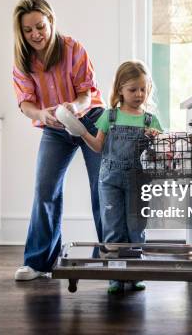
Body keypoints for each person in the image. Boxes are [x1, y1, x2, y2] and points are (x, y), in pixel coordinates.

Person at [12, 0, 105, 280]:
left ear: (50, 20)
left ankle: (111, 256)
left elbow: (86, 93)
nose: (35, 35)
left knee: (103, 188)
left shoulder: (73, 49)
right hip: (54, 126)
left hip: (89, 119)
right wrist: (41, 115)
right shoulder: (23, 62)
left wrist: (72, 108)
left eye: (39, 26)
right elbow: (25, 103)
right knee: (45, 189)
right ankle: (39, 263)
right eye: (28, 31)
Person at [80, 60, 162, 294]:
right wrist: (82, 132)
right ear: (120, 90)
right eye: (132, 89)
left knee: (137, 228)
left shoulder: (151, 120)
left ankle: (135, 273)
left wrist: (156, 140)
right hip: (110, 183)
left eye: (143, 89)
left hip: (139, 182)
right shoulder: (110, 116)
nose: (138, 94)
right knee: (113, 229)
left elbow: (159, 154)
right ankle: (115, 276)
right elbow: (97, 146)